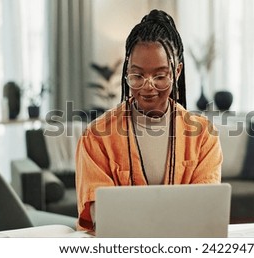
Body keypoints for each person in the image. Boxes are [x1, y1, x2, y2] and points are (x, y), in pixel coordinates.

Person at [75, 9, 222, 232]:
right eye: (137, 75)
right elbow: (101, 216)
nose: (148, 86)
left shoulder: (203, 136)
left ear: (177, 72)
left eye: (160, 76)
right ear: (127, 72)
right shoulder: (96, 136)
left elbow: (205, 211)